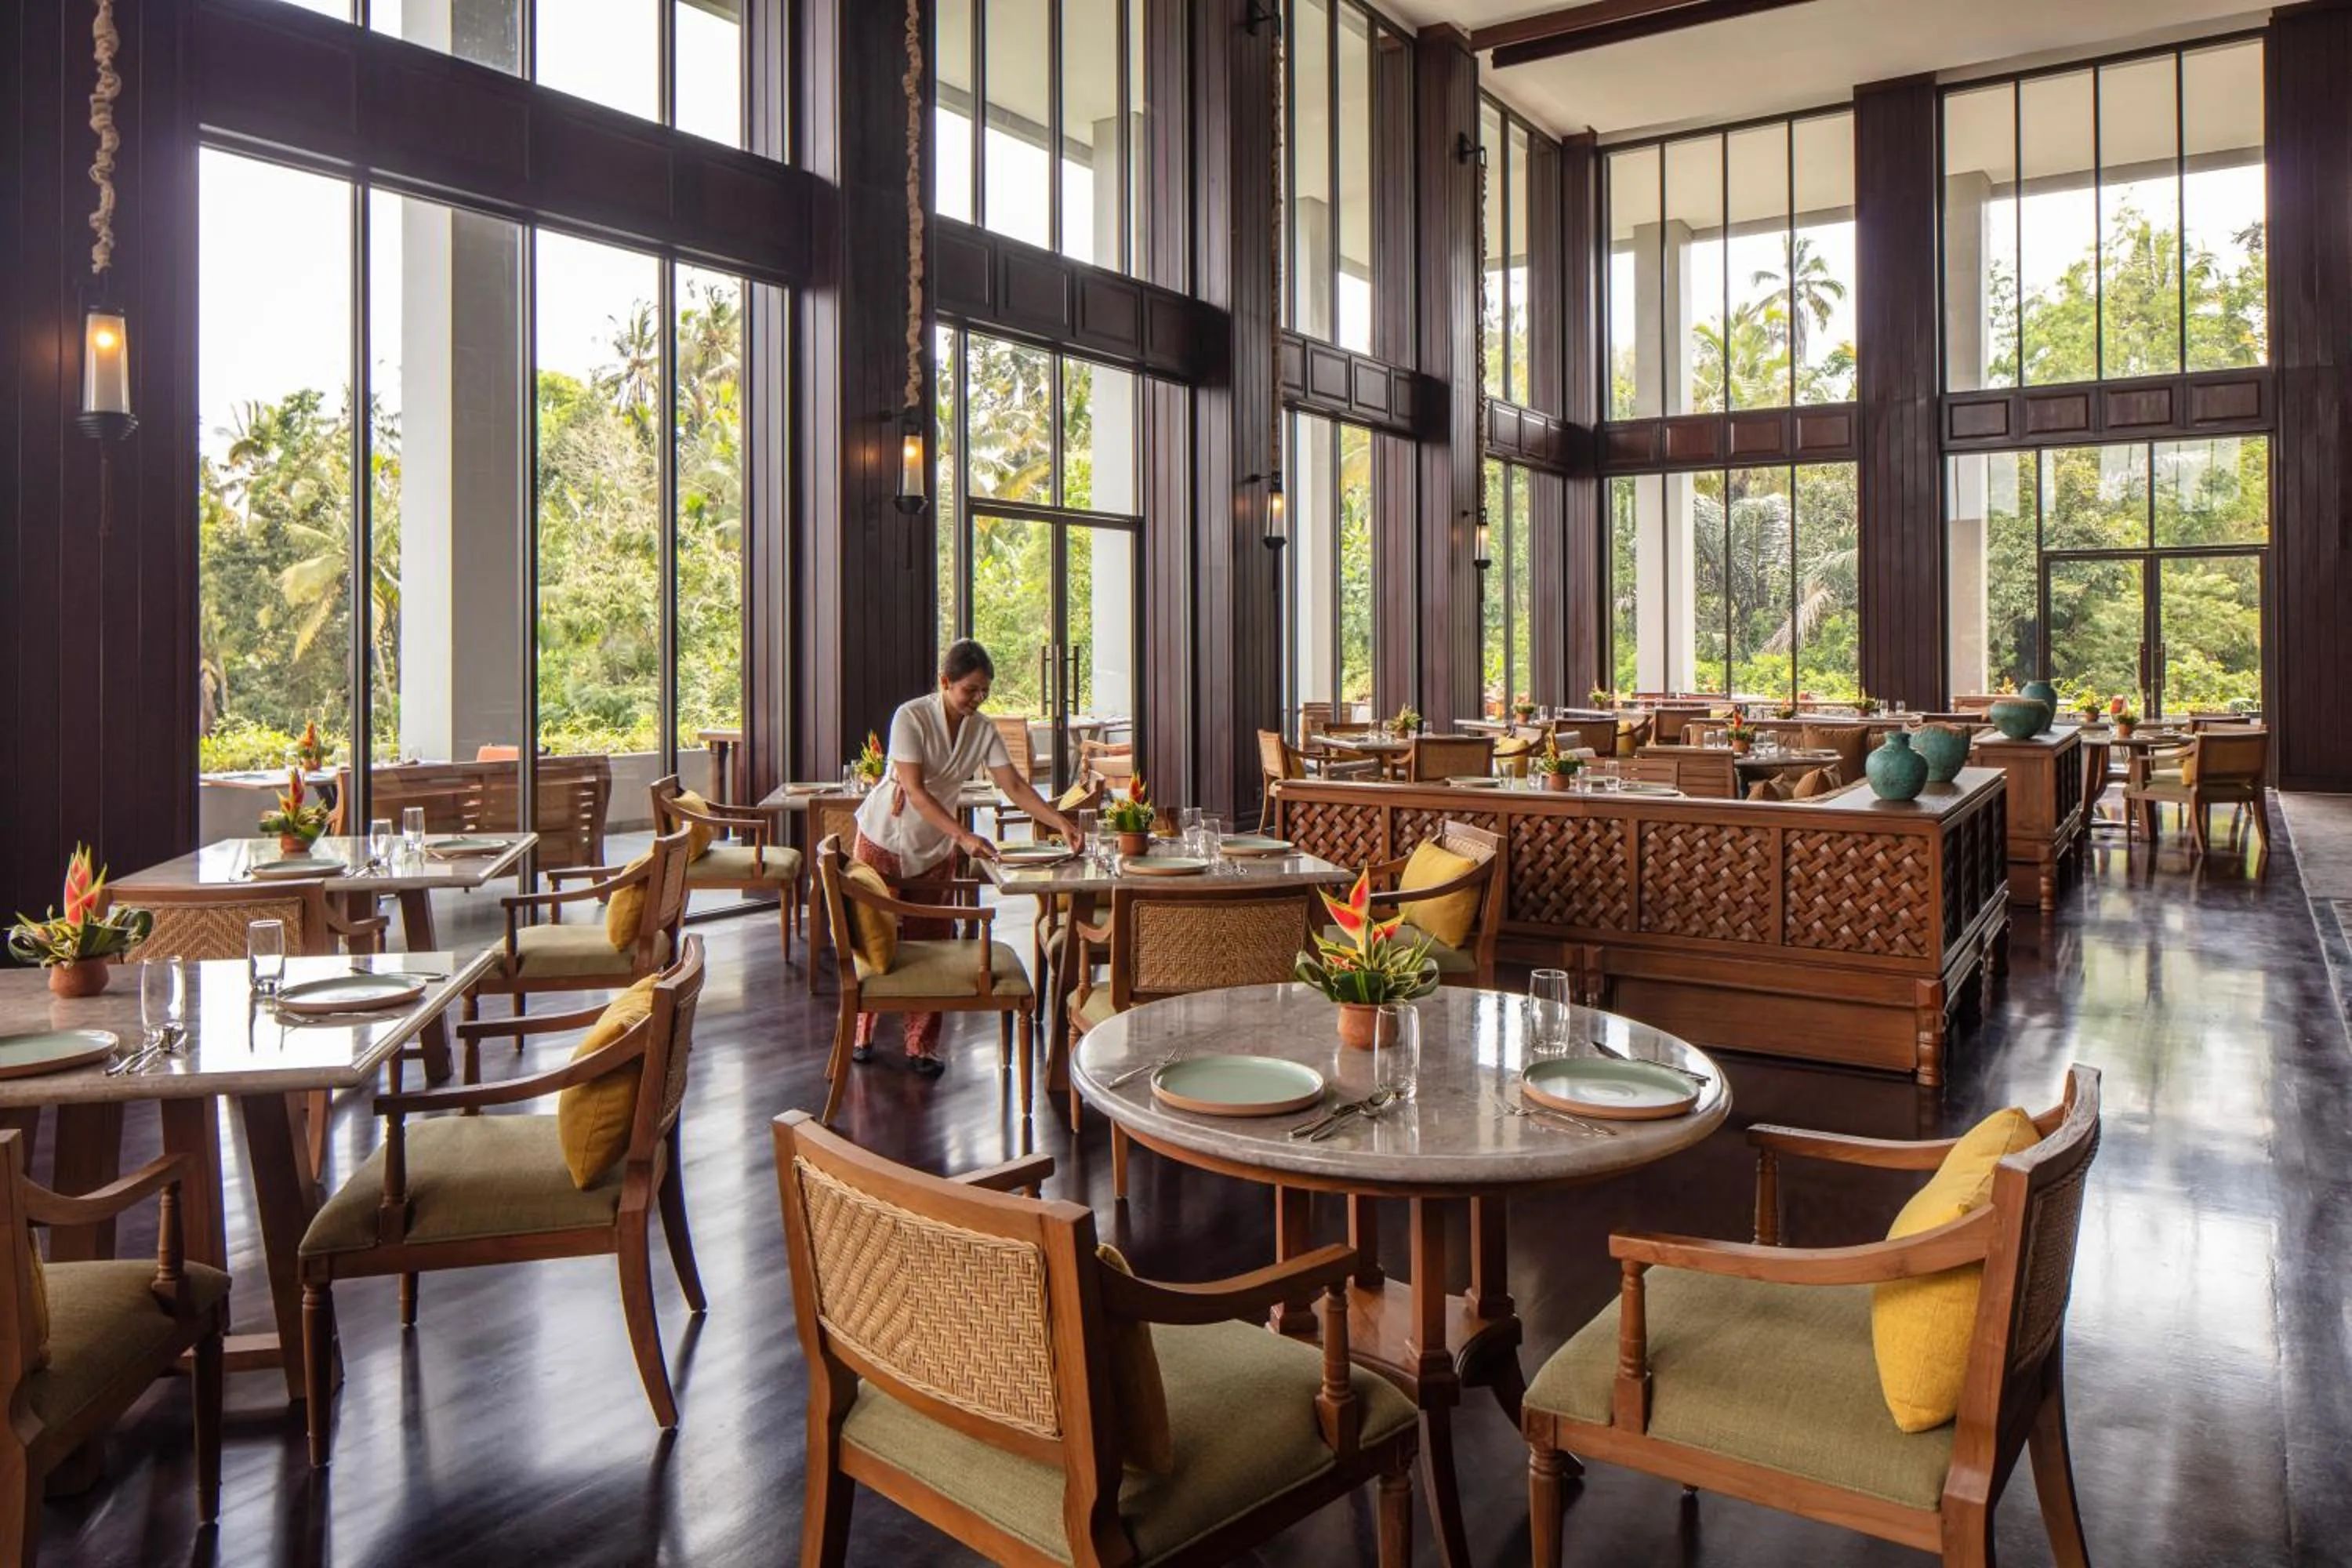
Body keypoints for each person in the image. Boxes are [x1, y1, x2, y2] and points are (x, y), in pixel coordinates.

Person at [849, 638, 1083, 1076]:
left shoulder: (983, 729)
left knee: (934, 941)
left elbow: (1013, 785)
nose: (977, 699)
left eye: (984, 691)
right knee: (874, 937)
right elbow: (915, 791)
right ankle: (861, 1029)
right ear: (945, 683)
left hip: (935, 844)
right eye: (969, 690)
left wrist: (1059, 821)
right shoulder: (911, 717)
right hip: (884, 836)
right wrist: (964, 837)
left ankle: (921, 1046)